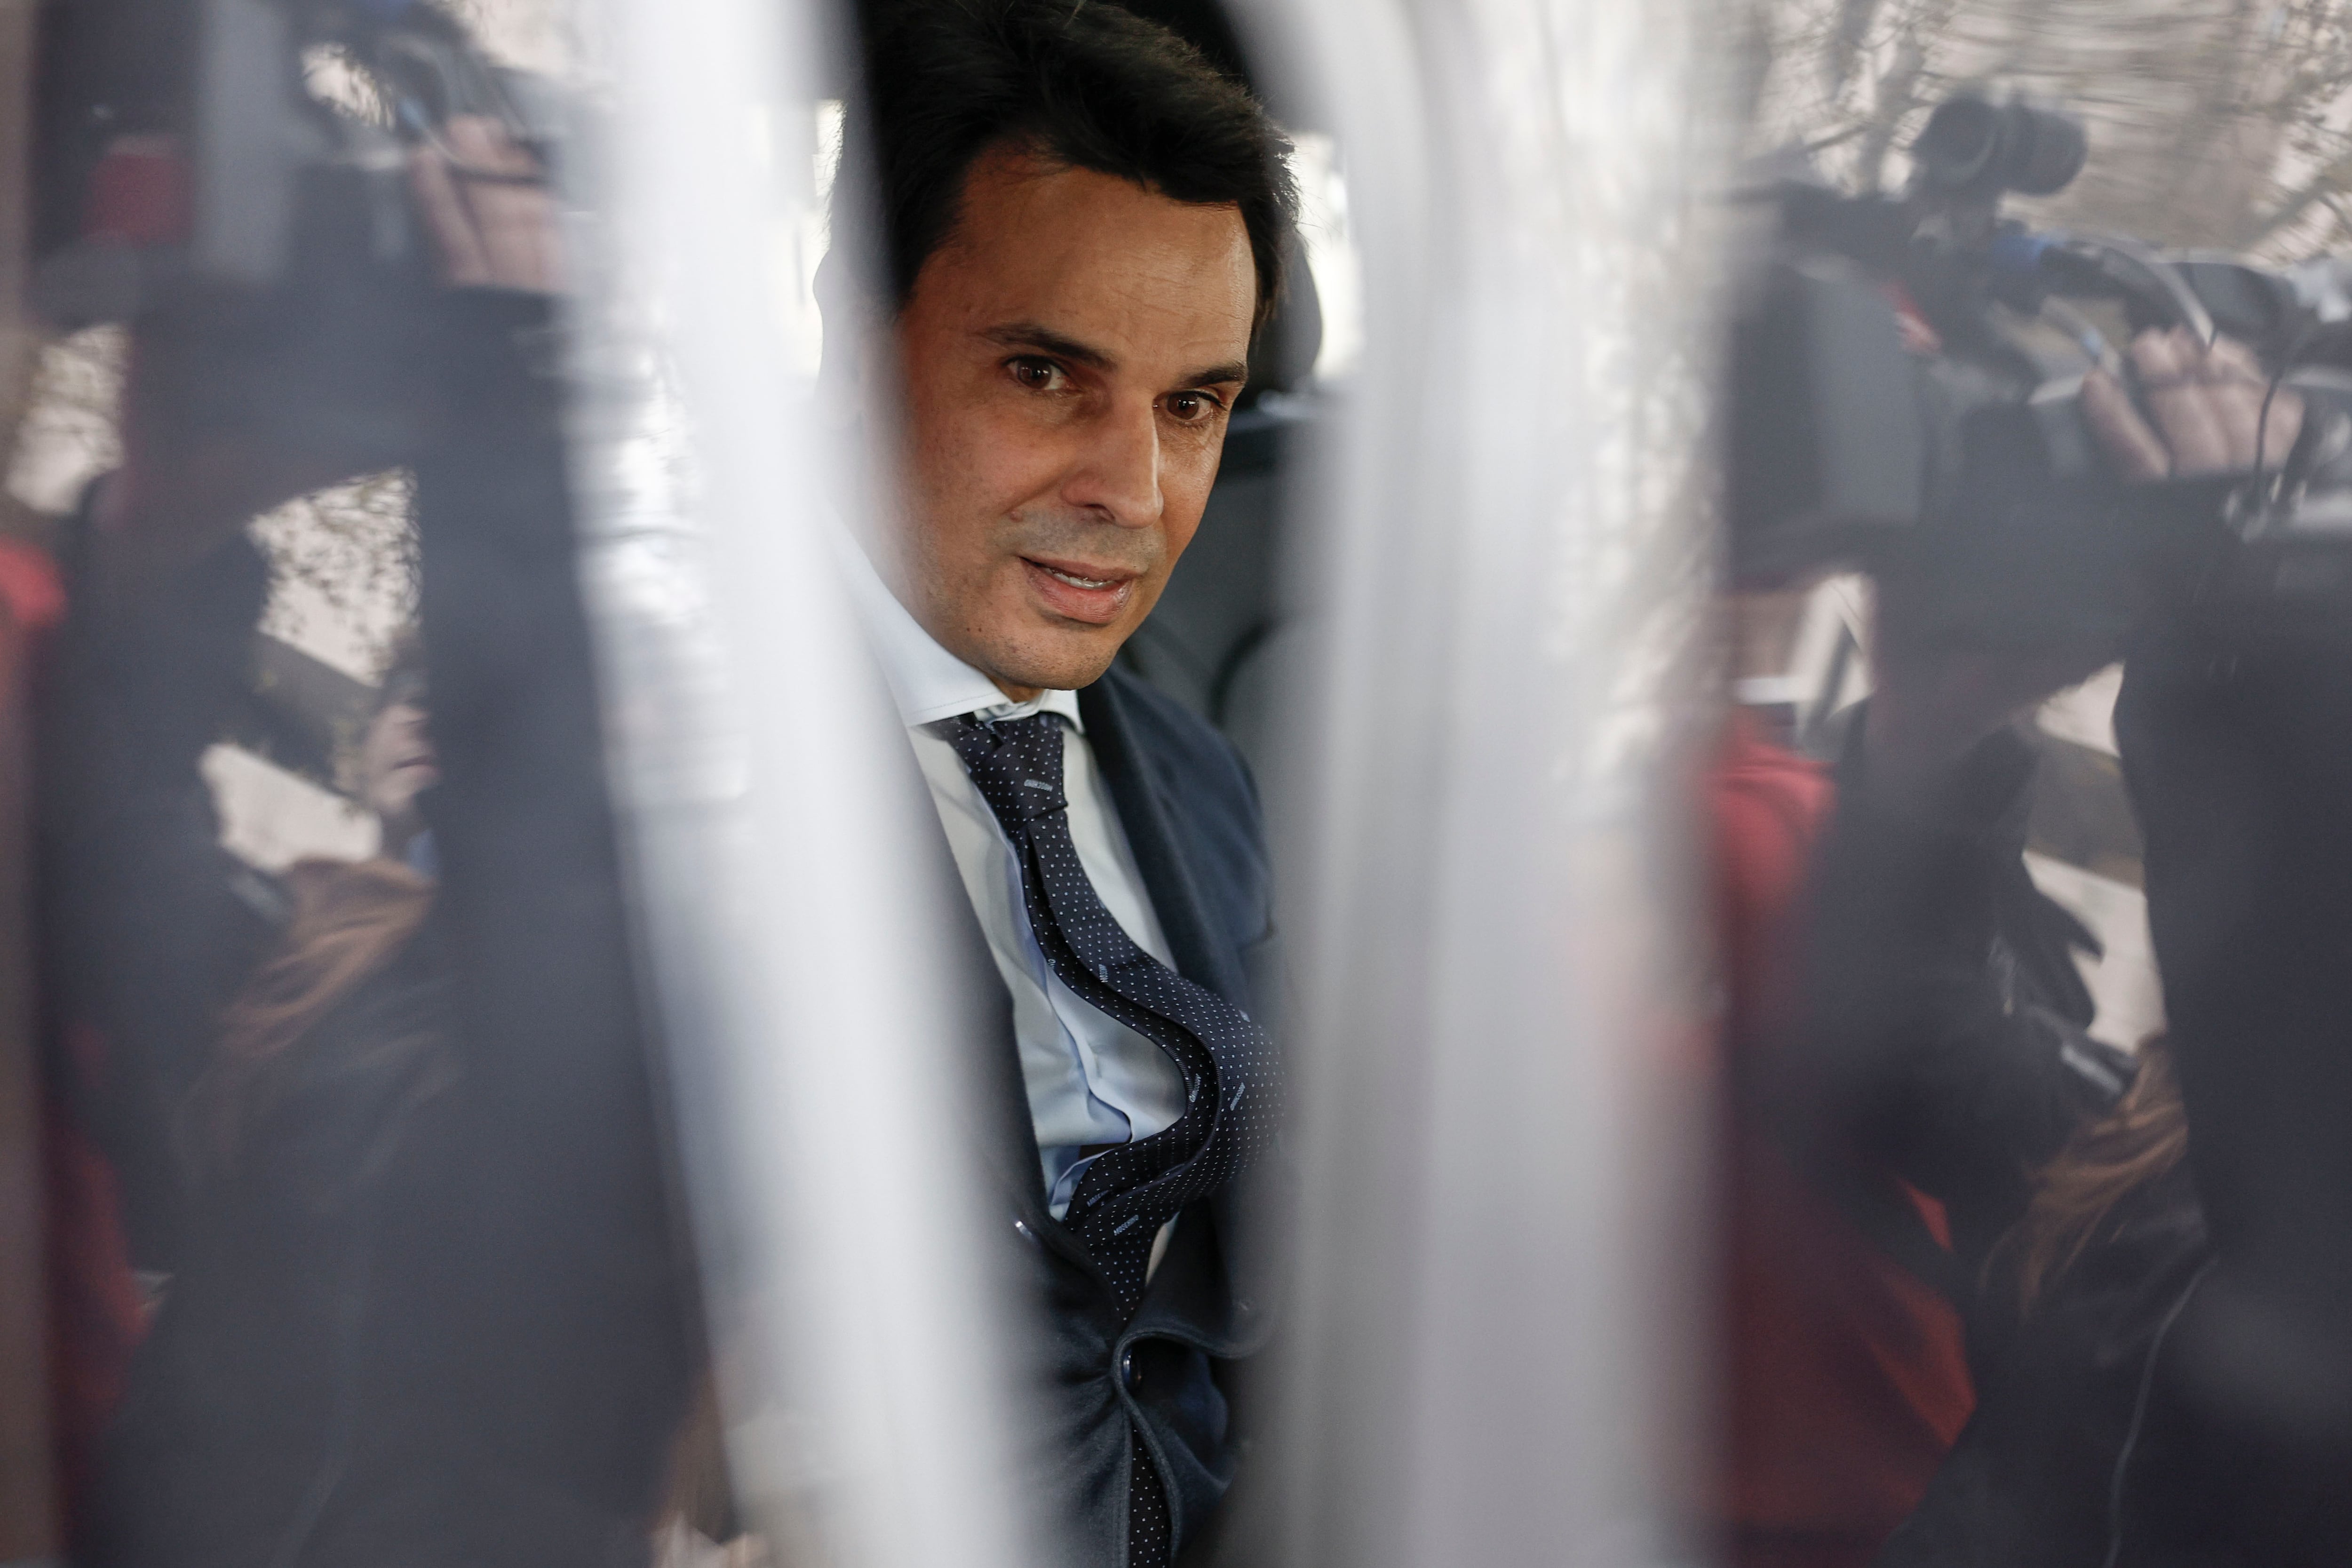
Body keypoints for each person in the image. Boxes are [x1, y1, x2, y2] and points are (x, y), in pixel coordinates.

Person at [51, 114, 694, 1566]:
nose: (434, 731)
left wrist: (516, 375)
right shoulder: (326, 952)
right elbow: (119, 866)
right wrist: (164, 538)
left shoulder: (673, 1037)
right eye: (415, 701)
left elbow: (545, 872)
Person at [822, 5, 1296, 1563]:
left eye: (1192, 405)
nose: (1135, 494)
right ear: (854, 338)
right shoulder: (689, 764)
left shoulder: (1198, 779)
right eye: (1044, 375)